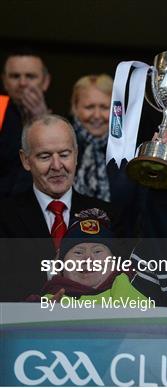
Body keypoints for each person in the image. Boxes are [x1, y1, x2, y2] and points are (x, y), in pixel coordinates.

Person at [0, 114, 111, 301]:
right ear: (26, 160)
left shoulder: (107, 216)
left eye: (64, 154)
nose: (57, 165)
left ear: (76, 155)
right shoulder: (4, 217)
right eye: (45, 156)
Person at [34, 209, 151, 306]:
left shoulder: (135, 290)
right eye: (78, 253)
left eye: (98, 251)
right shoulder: (44, 304)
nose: (88, 259)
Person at [0, 49, 51, 198]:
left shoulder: (59, 121)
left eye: (30, 76)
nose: (22, 83)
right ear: (4, 81)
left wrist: (42, 121)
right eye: (15, 76)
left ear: (45, 82)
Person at [71, 74, 113, 202]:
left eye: (104, 107)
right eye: (89, 107)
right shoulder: (61, 145)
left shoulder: (128, 150)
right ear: (75, 108)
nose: (97, 115)